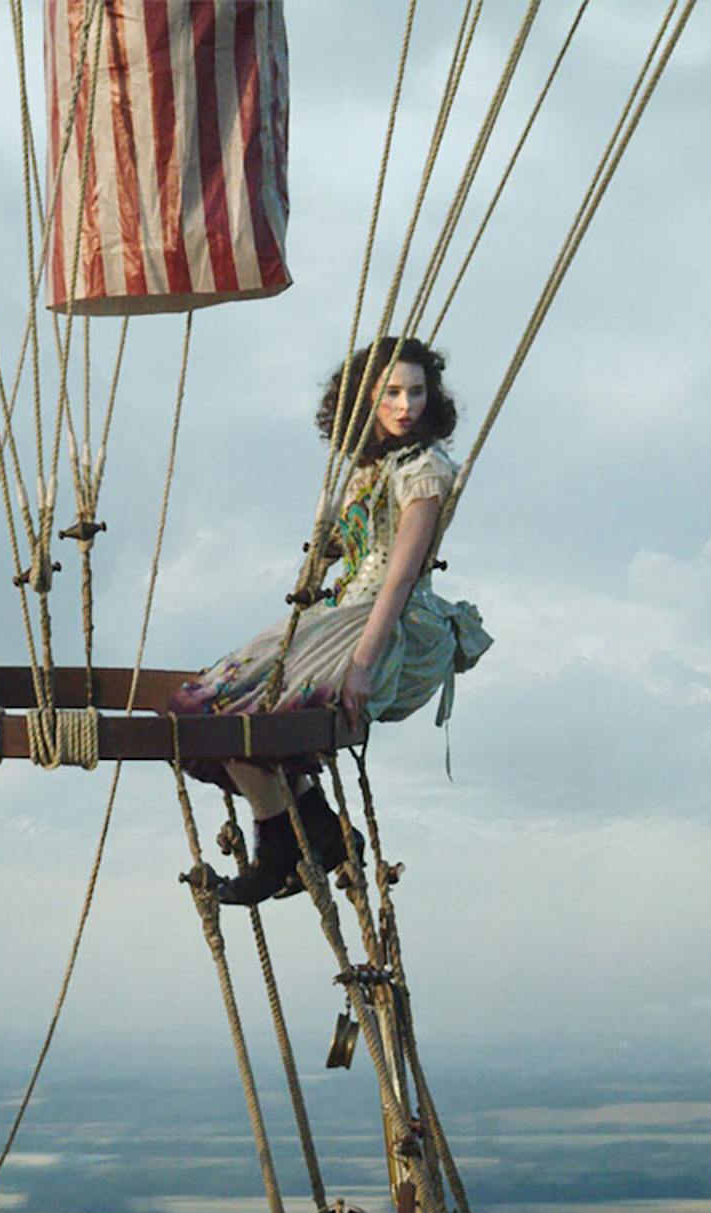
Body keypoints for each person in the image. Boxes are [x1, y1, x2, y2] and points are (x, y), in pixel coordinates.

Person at [165, 335, 493, 904]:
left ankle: (281, 851)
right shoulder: (365, 468)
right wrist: (321, 550)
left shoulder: (425, 469)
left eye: (416, 392)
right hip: (338, 609)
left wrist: (362, 662)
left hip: (388, 621)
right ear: (365, 399)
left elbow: (399, 575)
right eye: (391, 393)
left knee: (252, 716)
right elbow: (338, 549)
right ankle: (313, 829)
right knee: (207, 710)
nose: (405, 406)